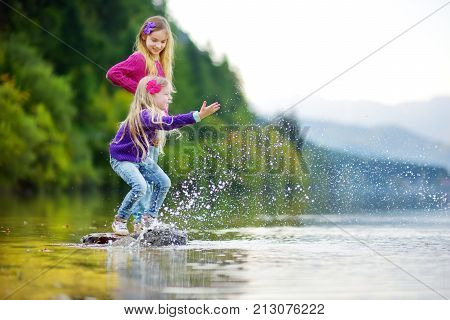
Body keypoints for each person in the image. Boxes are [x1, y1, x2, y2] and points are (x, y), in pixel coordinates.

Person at [109, 75, 220, 235]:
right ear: (152, 95)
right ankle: (120, 220)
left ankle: (147, 220)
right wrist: (197, 116)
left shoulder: (153, 115)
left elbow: (165, 123)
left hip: (140, 159)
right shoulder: (145, 115)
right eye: (166, 94)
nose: (170, 98)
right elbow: (170, 123)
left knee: (164, 182)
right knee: (140, 186)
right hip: (122, 159)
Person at [106, 16, 175, 225]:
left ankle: (146, 219)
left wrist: (164, 122)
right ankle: (139, 219)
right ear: (144, 36)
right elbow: (113, 73)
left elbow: (162, 98)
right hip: (142, 126)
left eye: (163, 42)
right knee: (144, 178)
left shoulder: (160, 64)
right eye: (154, 40)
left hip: (154, 128)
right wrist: (140, 91)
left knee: (154, 177)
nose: (158, 45)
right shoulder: (139, 59)